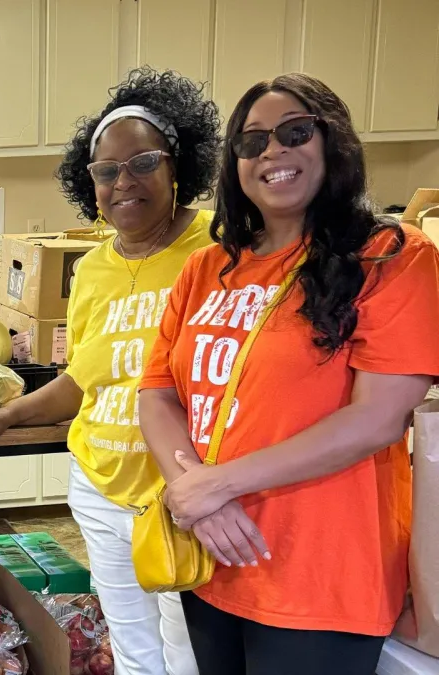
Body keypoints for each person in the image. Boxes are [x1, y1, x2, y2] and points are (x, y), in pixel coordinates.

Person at [137, 73, 439, 675]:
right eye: (251, 141)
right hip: (212, 559)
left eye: (295, 132)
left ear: (333, 142)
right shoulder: (207, 268)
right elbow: (158, 392)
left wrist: (215, 486)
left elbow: (377, 419)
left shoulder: (392, 256)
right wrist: (197, 490)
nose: (272, 151)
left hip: (320, 577)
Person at [0, 68, 220, 674]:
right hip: (99, 486)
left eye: (143, 162)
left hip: (180, 491)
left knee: (188, 654)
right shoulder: (90, 269)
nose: (124, 182)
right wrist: (8, 414)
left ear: (178, 166)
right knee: (134, 649)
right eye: (106, 170)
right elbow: (83, 382)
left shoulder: (218, 249)